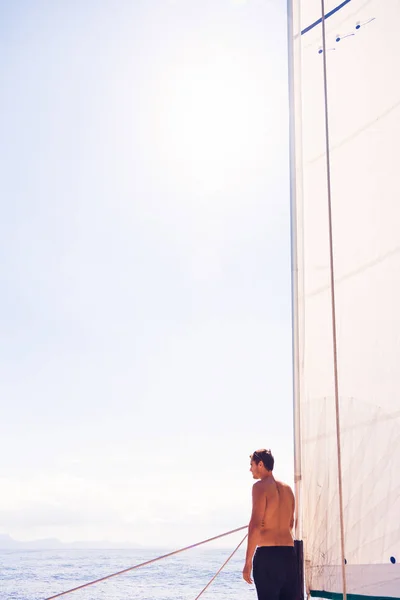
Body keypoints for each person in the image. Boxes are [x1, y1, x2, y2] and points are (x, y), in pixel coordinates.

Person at [242, 449, 298, 600]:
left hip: (268, 557)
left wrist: (248, 562)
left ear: (260, 464)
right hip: (289, 556)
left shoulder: (260, 487)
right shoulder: (288, 490)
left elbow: (255, 526)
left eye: (251, 464)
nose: (250, 469)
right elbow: (290, 524)